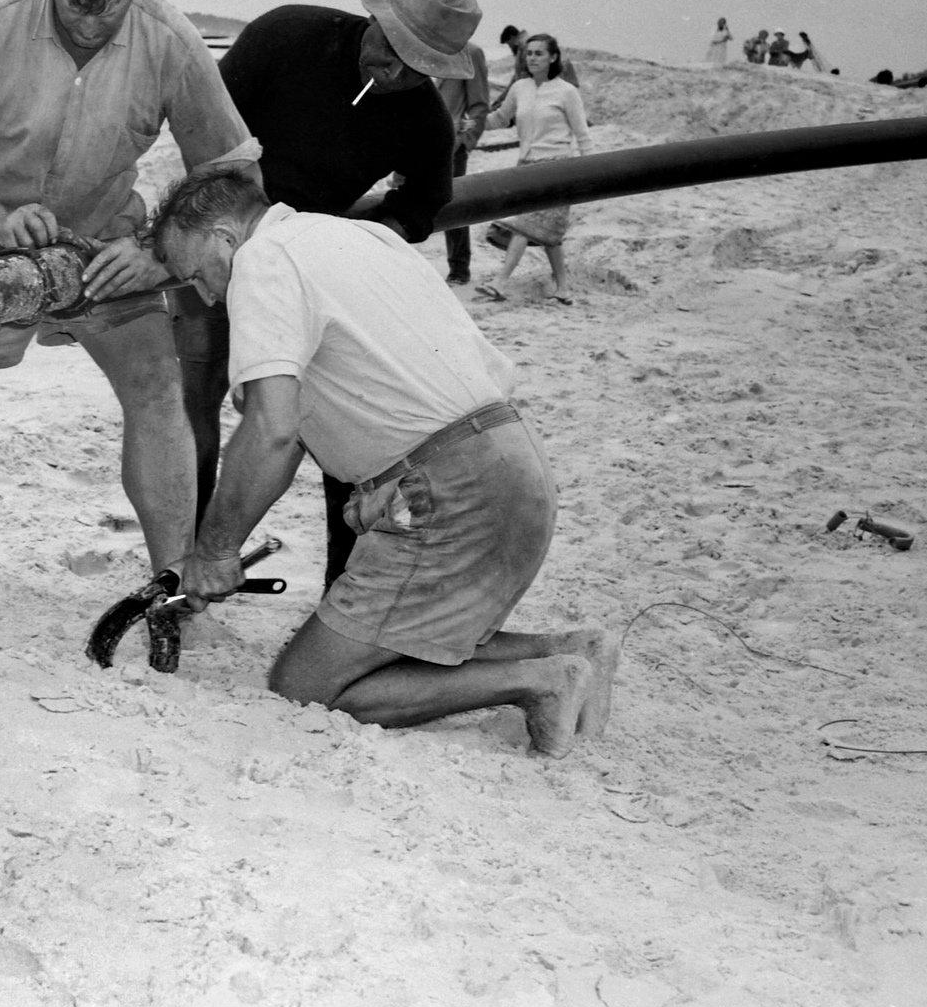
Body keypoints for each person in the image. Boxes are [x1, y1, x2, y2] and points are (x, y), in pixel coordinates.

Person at [152, 169, 614, 757]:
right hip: (511, 463)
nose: (208, 297)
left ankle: (542, 682)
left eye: (197, 276)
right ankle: (571, 648)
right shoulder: (359, 237)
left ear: (224, 236)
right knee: (387, 638)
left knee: (305, 685)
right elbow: (294, 435)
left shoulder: (263, 261)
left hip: (450, 491)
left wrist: (214, 551)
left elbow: (271, 430)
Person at [0, 0, 258, 615]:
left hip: (102, 239)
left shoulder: (172, 39)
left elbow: (232, 174)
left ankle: (171, 594)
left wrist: (159, 253)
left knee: (160, 389)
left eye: (113, 2)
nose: (92, 20)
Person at [174, 0, 473, 593]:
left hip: (307, 267)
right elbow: (206, 126)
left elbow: (426, 202)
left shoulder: (424, 120)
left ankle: (344, 584)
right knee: (191, 405)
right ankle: (186, 559)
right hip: (224, 238)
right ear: (374, 20)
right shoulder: (286, 36)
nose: (393, 74)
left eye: (417, 69)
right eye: (388, 52)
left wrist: (361, 245)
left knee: (333, 423)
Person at [478, 32, 590, 305]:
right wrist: (473, 121)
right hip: (526, 165)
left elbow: (582, 134)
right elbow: (500, 119)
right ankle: (563, 288)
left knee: (524, 225)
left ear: (553, 57)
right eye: (529, 53)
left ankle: (500, 282)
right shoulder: (520, 88)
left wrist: (590, 173)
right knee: (547, 233)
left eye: (539, 53)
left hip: (558, 167)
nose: (532, 58)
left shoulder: (567, 92)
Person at [438, 38, 490, 286]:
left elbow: (479, 104)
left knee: (454, 204)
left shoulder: (471, 53)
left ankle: (459, 268)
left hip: (452, 146)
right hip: (419, 140)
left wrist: (464, 141)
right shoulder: (417, 47)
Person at [500, 22, 581, 88]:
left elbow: (527, 78)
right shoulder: (526, 45)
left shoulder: (525, 47)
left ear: (512, 38)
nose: (510, 47)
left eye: (508, 44)